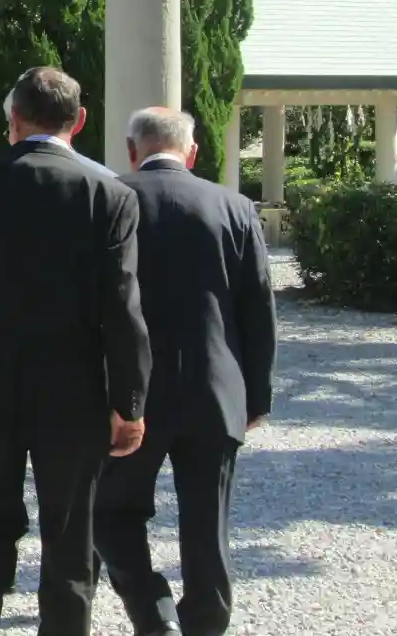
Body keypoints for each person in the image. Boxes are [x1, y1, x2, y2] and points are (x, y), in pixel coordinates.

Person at [0, 66, 152, 636]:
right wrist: (129, 401)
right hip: (75, 395)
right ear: (80, 121)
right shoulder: (110, 196)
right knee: (69, 539)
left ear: (14, 119)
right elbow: (123, 309)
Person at [94, 108, 277, 636]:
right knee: (208, 525)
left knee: (109, 513)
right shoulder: (235, 207)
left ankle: (156, 616)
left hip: (130, 393)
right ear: (193, 152)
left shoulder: (108, 200)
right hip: (215, 390)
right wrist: (255, 397)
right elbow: (258, 309)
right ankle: (206, 625)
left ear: (132, 150)